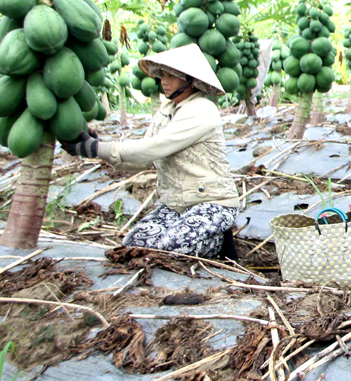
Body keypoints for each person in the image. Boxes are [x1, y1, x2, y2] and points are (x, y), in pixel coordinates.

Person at [62, 43, 240, 260]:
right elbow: (144, 160)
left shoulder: (203, 110)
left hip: (213, 202)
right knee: (134, 244)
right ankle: (192, 235)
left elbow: (155, 147)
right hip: (177, 205)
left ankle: (219, 242)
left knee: (172, 249)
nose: (163, 82)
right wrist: (98, 147)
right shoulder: (167, 110)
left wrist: (98, 148)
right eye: (162, 75)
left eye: (171, 77)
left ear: (190, 80)